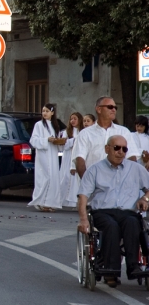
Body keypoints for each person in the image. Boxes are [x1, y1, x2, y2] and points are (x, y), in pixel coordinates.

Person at [77, 135, 149, 288]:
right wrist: (83, 220)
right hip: (103, 212)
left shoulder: (136, 169)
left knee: (132, 223)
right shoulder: (95, 170)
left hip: (128, 212)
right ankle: (111, 270)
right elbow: (83, 197)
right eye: (116, 148)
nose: (120, 152)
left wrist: (145, 199)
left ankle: (133, 266)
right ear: (107, 149)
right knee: (111, 226)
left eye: (124, 149)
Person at [74, 96, 139, 179]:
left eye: (115, 107)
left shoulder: (124, 131)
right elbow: (80, 160)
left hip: (119, 183)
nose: (114, 110)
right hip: (94, 184)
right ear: (99, 109)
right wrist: (87, 184)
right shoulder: (85, 134)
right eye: (110, 107)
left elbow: (132, 157)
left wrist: (127, 180)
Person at [29, 103, 64, 212]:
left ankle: (50, 202)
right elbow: (33, 140)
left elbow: (58, 141)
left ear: (52, 113)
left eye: (47, 111)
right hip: (43, 155)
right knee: (45, 177)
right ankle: (41, 202)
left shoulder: (55, 125)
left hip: (52, 154)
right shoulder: (39, 125)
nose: (44, 113)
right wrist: (46, 140)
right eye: (43, 111)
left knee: (53, 177)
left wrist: (59, 142)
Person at [59, 112, 83, 209]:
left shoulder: (82, 131)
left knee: (75, 179)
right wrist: (73, 141)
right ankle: (62, 200)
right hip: (68, 156)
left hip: (77, 156)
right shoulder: (66, 132)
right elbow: (63, 145)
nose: (72, 121)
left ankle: (73, 201)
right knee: (65, 177)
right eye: (71, 119)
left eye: (75, 119)